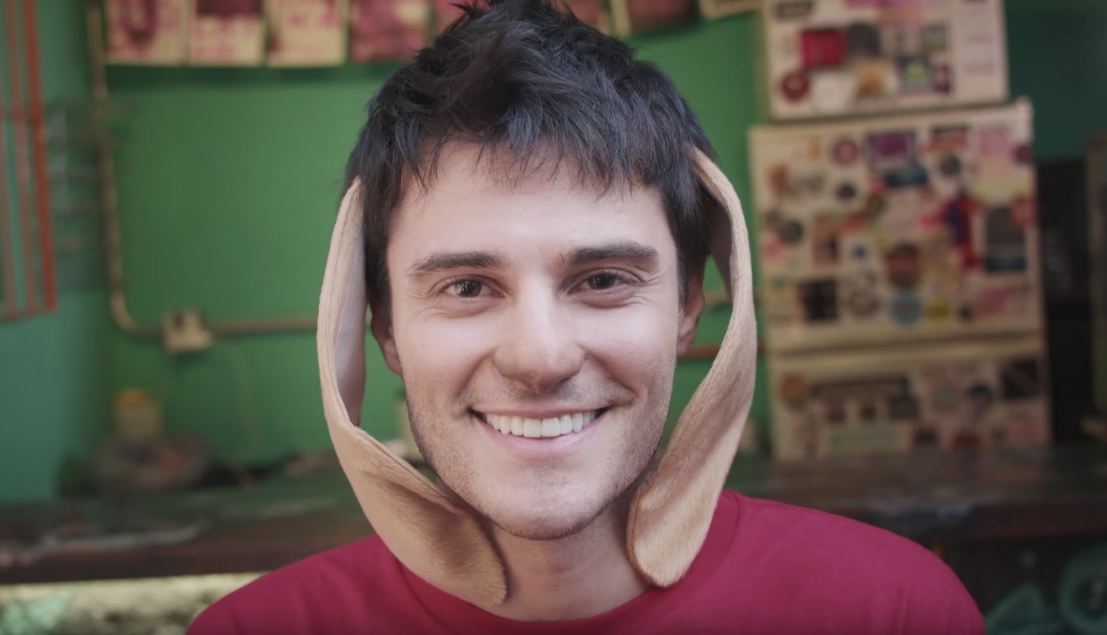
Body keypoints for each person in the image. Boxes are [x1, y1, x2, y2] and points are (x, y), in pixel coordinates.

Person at [188, 1, 984, 633]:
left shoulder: (890, 611)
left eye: (602, 279)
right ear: (382, 325)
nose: (539, 357)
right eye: (465, 287)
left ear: (689, 303)